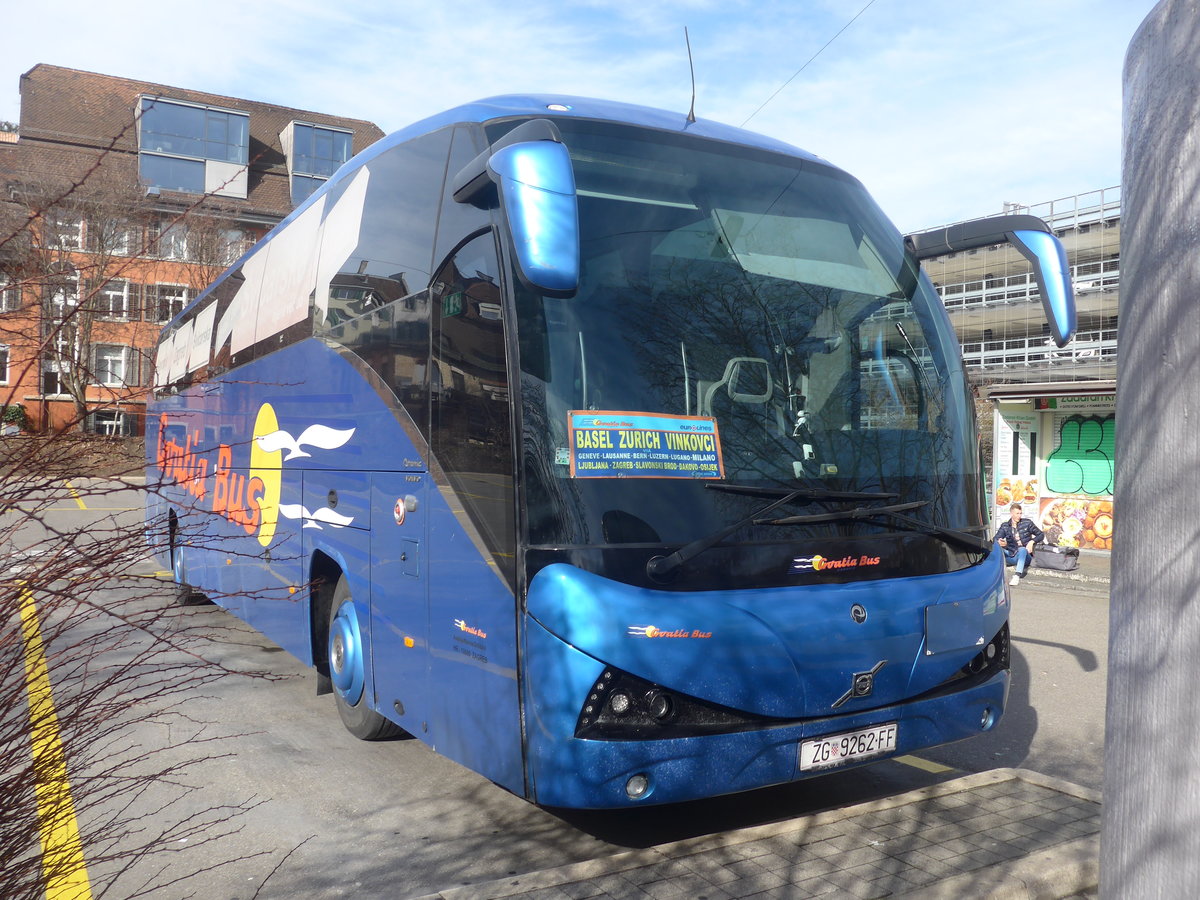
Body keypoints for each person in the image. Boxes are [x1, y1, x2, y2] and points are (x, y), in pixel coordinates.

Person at [995, 502, 1045, 586]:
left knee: (1022, 549)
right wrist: (999, 542)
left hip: (1025, 555)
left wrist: (1032, 541)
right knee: (996, 549)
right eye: (1017, 513)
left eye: (1020, 513)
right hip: (1012, 554)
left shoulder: (1027, 523)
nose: (1019, 516)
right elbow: (995, 538)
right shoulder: (1005, 526)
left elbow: (1041, 534)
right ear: (1011, 514)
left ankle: (1016, 576)